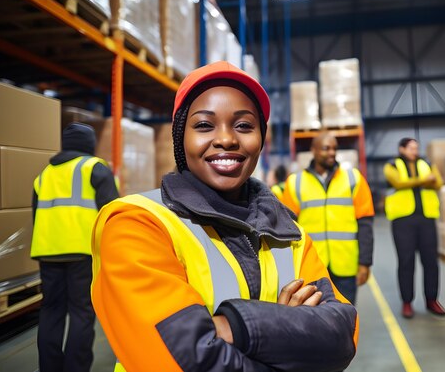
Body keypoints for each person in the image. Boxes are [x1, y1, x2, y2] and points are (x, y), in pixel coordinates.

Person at [90, 61, 358, 372]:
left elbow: (342, 336)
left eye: (244, 125)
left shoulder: (290, 235)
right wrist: (285, 331)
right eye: (204, 125)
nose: (227, 139)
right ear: (181, 138)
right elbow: (180, 361)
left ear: (261, 139)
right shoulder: (137, 223)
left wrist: (231, 329)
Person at [31, 122, 119, 372]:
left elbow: (36, 214)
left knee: (51, 310)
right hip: (82, 251)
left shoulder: (45, 174)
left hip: (47, 251)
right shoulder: (94, 167)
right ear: (89, 145)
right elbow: (112, 214)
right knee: (82, 311)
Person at [281, 133, 375, 305]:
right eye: (326, 148)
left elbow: (365, 223)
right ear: (313, 151)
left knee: (345, 315)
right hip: (312, 264)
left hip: (345, 264)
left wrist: (365, 263)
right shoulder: (295, 183)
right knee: (314, 319)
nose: (331, 152)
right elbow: (286, 227)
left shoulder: (354, 179)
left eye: (334, 148)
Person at [384, 137, 445, 318]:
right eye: (411, 148)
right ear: (401, 149)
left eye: (416, 148)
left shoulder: (426, 162)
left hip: (426, 218)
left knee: (431, 262)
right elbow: (398, 183)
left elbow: (439, 183)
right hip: (403, 220)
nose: (415, 151)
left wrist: (422, 181)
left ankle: (432, 300)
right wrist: (424, 180)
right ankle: (407, 302)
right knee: (406, 261)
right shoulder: (392, 165)